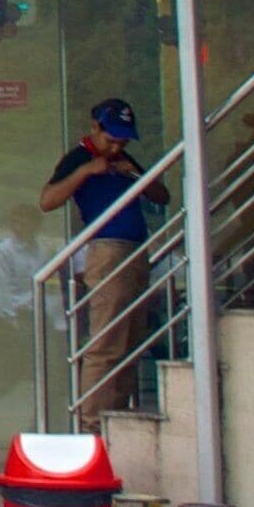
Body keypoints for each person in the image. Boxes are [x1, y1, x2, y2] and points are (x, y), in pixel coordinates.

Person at [42, 97, 167, 420]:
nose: (116, 147)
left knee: (130, 339)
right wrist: (87, 171)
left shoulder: (125, 159)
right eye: (111, 140)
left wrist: (137, 175)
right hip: (107, 250)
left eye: (122, 141)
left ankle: (118, 413)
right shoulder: (78, 158)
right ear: (95, 127)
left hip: (136, 250)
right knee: (107, 341)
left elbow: (162, 196)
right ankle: (92, 421)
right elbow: (48, 200)